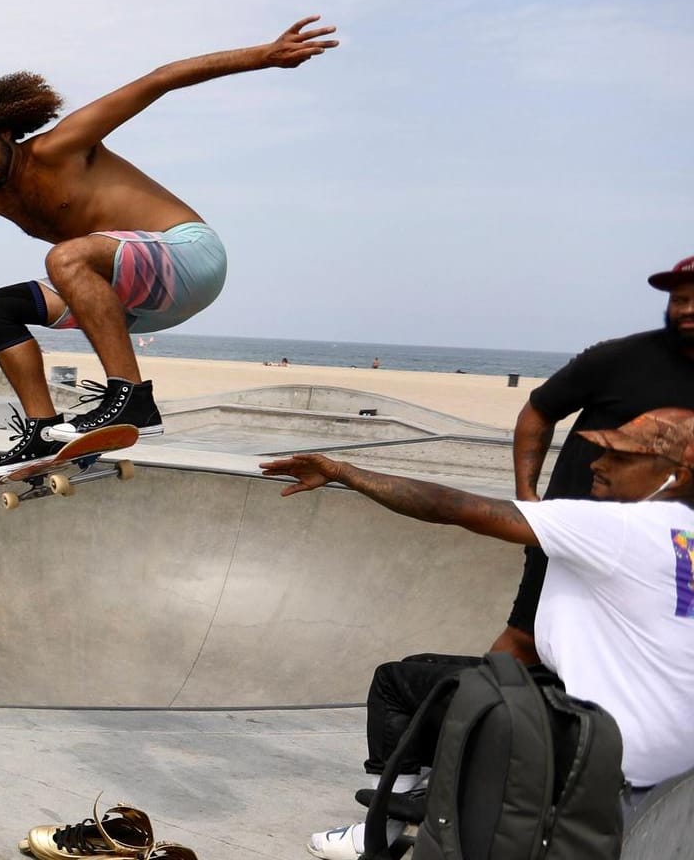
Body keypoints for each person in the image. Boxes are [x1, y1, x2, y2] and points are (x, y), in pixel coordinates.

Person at [0, 16, 338, 479]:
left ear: (5, 131)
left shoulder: (64, 145)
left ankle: (132, 399)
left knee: (65, 257)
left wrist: (264, 55)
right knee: (0, 309)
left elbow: (160, 81)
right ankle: (42, 428)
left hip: (189, 255)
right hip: (134, 302)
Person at [261, 408, 694, 858]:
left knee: (396, 684)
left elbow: (452, 507)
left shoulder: (615, 527)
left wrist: (343, 472)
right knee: (425, 672)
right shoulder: (685, 533)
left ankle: (381, 831)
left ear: (677, 475)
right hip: (661, 742)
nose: (597, 464)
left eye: (621, 458)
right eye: (602, 451)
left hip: (593, 741)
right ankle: (429, 792)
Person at [492, 255, 694, 664]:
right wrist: (527, 497)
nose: (685, 309)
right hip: (580, 529)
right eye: (678, 299)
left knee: (665, 648)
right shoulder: (618, 359)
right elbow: (537, 413)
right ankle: (478, 718)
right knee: (528, 637)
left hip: (679, 546)